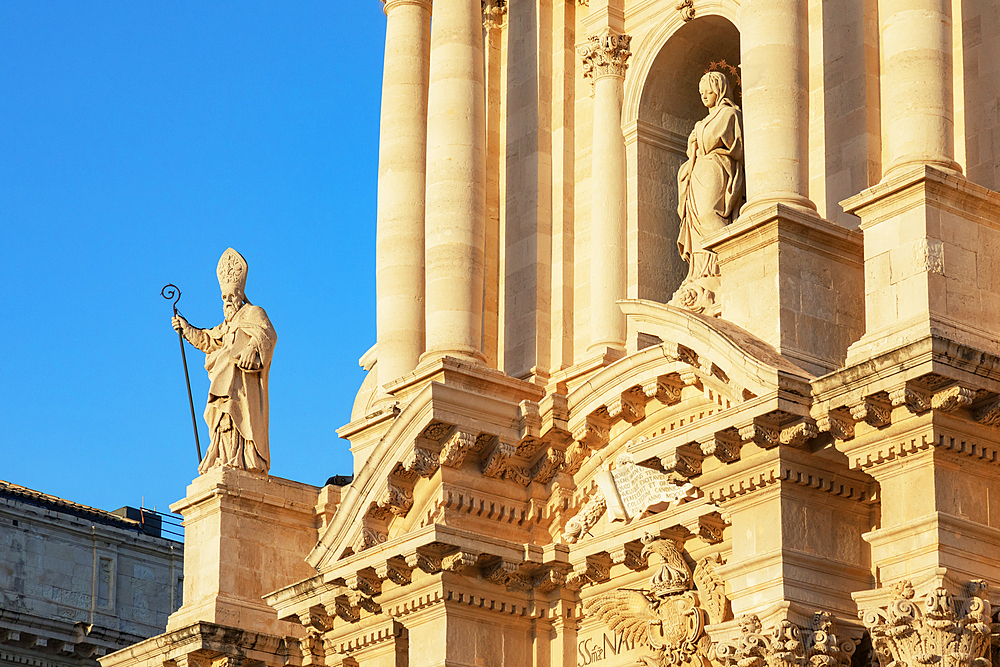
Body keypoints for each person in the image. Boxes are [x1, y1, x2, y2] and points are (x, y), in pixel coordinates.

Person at [171, 248, 276, 475]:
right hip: (227, 385)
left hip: (244, 388)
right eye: (224, 298)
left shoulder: (253, 313)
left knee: (227, 361)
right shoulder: (226, 326)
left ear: (240, 296)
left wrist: (251, 348)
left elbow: (267, 335)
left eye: (231, 297)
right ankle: (223, 455)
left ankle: (245, 458)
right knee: (221, 410)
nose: (227, 301)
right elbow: (208, 340)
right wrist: (186, 328)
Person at [671, 71, 744, 312]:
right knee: (695, 221)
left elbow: (726, 143)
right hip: (698, 170)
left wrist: (698, 141)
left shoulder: (729, 114)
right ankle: (701, 271)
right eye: (701, 92)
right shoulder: (702, 122)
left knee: (709, 215)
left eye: (708, 91)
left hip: (716, 167)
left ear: (720, 90)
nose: (704, 96)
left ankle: (721, 267)